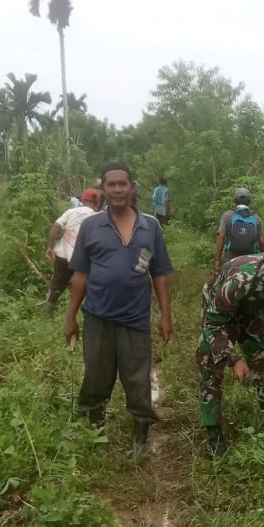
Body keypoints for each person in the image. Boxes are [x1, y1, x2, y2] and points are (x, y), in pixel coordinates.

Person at [64, 162, 173, 458]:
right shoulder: (91, 226)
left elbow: (160, 273)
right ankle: (95, 431)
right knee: (96, 375)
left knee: (137, 377)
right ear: (103, 189)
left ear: (132, 187)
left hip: (135, 318)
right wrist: (70, 317)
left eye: (122, 184)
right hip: (97, 316)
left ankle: (140, 437)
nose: (117, 190)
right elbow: (80, 275)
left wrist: (165, 315)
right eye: (111, 184)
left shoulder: (150, 226)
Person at [197, 250, 264, 456]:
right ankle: (214, 434)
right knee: (211, 366)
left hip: (250, 311)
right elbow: (213, 324)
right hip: (219, 313)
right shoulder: (239, 283)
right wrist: (233, 359)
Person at [44, 188, 101, 313]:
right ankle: (82, 312)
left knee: (57, 285)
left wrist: (50, 247)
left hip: (63, 254)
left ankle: (47, 311)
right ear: (97, 203)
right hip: (83, 258)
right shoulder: (96, 217)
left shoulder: (70, 212)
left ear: (83, 200)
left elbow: (56, 226)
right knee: (85, 286)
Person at [215, 187, 264, 270]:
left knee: (229, 276)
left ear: (235, 200)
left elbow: (221, 236)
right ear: (249, 201)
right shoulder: (257, 218)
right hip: (250, 259)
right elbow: (262, 241)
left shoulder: (227, 215)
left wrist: (218, 259)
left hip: (231, 257)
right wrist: (262, 260)